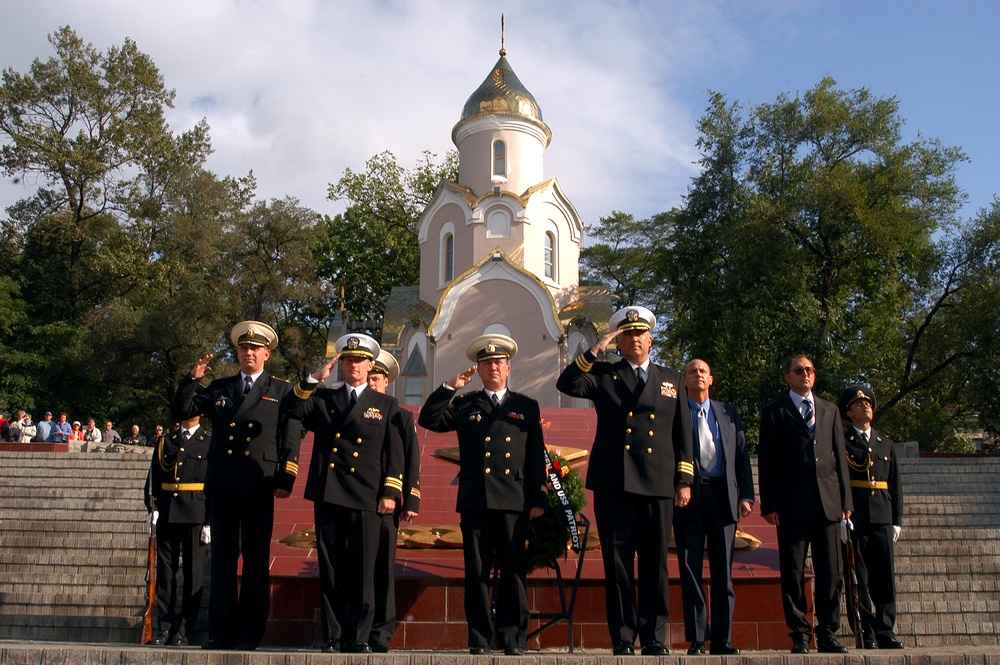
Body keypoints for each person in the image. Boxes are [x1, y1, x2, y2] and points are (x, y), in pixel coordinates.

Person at [556, 306, 694, 656]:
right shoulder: (604, 373)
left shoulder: (671, 379)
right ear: (620, 339)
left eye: (640, 333)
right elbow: (567, 382)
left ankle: (654, 637)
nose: (634, 339)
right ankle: (622, 638)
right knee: (617, 565)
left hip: (658, 483)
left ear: (650, 339)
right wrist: (595, 350)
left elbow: (683, 434)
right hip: (614, 482)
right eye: (627, 334)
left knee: (655, 564)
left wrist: (684, 480)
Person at [172, 320, 302, 651]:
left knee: (256, 560)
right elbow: (183, 409)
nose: (249, 353)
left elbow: (290, 435)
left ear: (267, 354)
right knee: (223, 562)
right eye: (243, 348)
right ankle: (221, 633)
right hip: (223, 482)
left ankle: (249, 634)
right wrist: (193, 380)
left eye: (255, 349)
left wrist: (286, 477)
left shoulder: (280, 390)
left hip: (258, 481)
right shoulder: (221, 386)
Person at [419, 334, 547, 656]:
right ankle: (479, 638)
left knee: (513, 571)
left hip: (512, 502)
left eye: (499, 363)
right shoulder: (465, 404)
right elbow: (428, 419)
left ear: (508, 368)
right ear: (478, 369)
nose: (493, 368)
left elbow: (535, 456)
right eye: (487, 363)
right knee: (476, 573)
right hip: (476, 500)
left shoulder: (526, 406)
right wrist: (450, 387)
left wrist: (538, 498)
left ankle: (514, 638)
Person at [284, 334, 404, 654]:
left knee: (364, 569)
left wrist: (390, 492)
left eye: (359, 361)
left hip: (367, 494)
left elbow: (395, 454)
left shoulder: (386, 404)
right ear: (342, 366)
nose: (353, 366)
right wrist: (312, 379)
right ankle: (334, 635)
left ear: (370, 365)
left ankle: (359, 635)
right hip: (329, 492)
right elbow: (291, 409)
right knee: (332, 567)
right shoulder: (324, 399)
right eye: (348, 361)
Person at [758, 355, 853, 654]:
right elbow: (768, 462)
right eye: (799, 371)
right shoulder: (775, 413)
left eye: (810, 370)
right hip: (791, 506)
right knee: (793, 571)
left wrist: (846, 501)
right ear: (787, 376)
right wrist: (770, 504)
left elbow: (840, 459)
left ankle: (827, 632)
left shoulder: (830, 410)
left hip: (828, 504)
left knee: (831, 572)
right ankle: (799, 633)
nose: (805, 375)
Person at [673, 359, 754, 656]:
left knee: (723, 571)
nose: (697, 375)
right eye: (691, 372)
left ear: (711, 379)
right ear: (684, 380)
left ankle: (723, 638)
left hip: (723, 496)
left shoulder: (728, 413)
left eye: (702, 371)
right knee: (690, 567)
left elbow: (741, 455)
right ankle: (696, 638)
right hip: (689, 497)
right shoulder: (676, 412)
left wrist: (746, 494)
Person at [838, 385, 904, 650]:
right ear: (849, 413)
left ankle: (885, 630)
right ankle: (866, 631)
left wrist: (897, 520)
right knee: (859, 579)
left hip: (883, 516)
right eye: (858, 404)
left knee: (885, 577)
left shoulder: (884, 442)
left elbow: (895, 483)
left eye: (868, 403)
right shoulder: (843, 442)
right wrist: (842, 513)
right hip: (858, 517)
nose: (865, 406)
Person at [366, 349, 421, 653]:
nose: (372, 383)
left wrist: (410, 500)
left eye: (376, 378)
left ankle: (381, 631)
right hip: (358, 499)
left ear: (386, 381)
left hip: (386, 502)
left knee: (383, 568)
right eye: (369, 377)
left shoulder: (400, 415)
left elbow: (411, 458)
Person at [144, 414, 211, 646]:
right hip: (168, 512)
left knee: (193, 576)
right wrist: (151, 506)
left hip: (195, 514)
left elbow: (212, 483)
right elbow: (153, 476)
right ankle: (164, 627)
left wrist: (209, 521)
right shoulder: (166, 442)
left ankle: (183, 630)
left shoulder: (209, 441)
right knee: (165, 574)